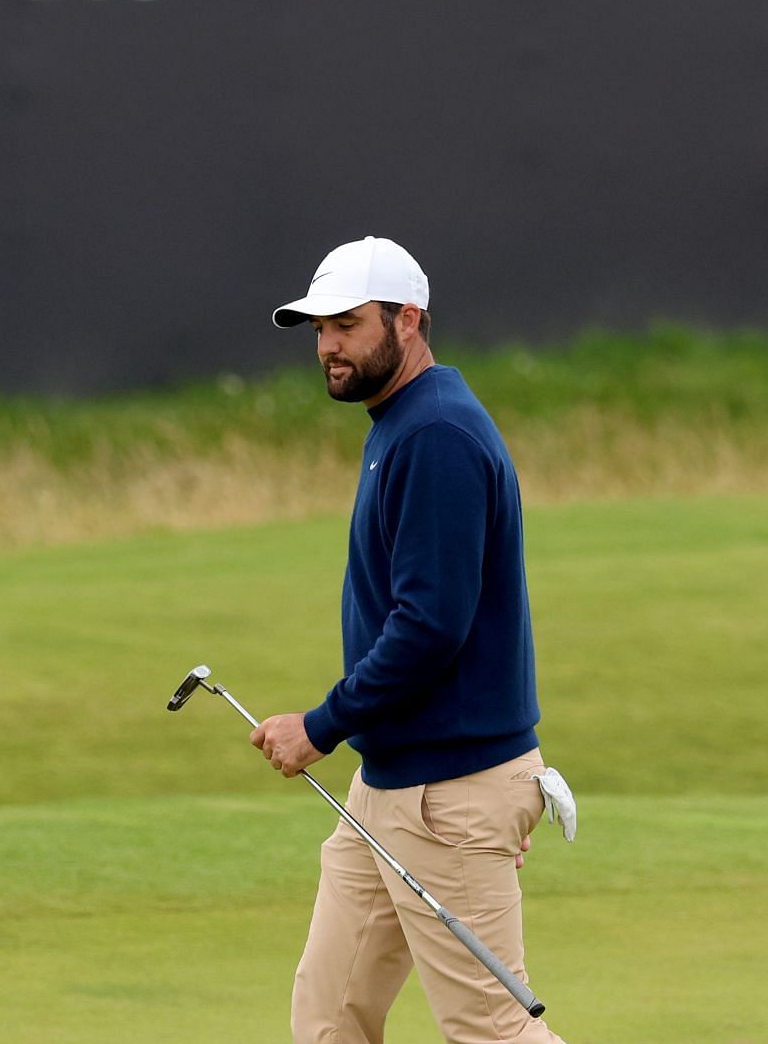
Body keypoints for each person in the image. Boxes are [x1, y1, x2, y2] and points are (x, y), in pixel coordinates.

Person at [253, 235, 570, 1044]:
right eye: (319, 329)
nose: (327, 346)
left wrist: (321, 726)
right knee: (329, 1017)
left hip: (448, 793)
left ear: (409, 318)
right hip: (394, 786)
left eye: (348, 325)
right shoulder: (400, 421)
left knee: (491, 1030)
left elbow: (430, 627)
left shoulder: (435, 436)